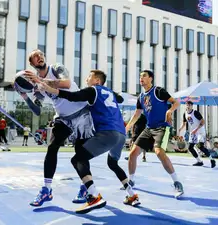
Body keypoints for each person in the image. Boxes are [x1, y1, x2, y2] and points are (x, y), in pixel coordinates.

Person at [39, 69, 139, 214]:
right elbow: (121, 99)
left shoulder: (93, 90)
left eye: (89, 77)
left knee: (78, 159)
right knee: (112, 164)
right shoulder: (108, 92)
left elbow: (73, 96)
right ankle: (132, 195)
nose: (86, 79)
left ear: (97, 81)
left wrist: (50, 89)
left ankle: (93, 196)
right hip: (121, 135)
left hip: (107, 133)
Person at [16, 49, 94, 206]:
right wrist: (24, 97)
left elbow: (65, 83)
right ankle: (46, 189)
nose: (40, 57)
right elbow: (37, 110)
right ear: (31, 63)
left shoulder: (56, 68)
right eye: (35, 57)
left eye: (41, 55)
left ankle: (85, 187)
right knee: (52, 147)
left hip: (81, 114)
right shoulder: (36, 85)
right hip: (63, 118)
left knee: (81, 153)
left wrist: (39, 80)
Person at [125, 70, 184, 199]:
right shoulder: (141, 97)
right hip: (149, 128)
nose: (141, 78)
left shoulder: (158, 91)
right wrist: (127, 127)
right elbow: (137, 114)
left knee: (159, 152)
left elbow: (176, 103)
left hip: (162, 127)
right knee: (133, 153)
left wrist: (169, 111)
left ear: (150, 78)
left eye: (144, 76)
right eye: (140, 76)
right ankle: (131, 180)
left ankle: (177, 182)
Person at [178, 101, 216, 168]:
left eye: (190, 105)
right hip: (193, 132)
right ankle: (199, 161)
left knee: (200, 146)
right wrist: (180, 129)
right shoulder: (185, 114)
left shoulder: (195, 112)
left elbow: (203, 122)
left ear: (192, 106)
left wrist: (196, 129)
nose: (188, 106)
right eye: (187, 105)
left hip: (200, 131)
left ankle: (212, 160)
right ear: (185, 106)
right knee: (190, 147)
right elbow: (184, 123)